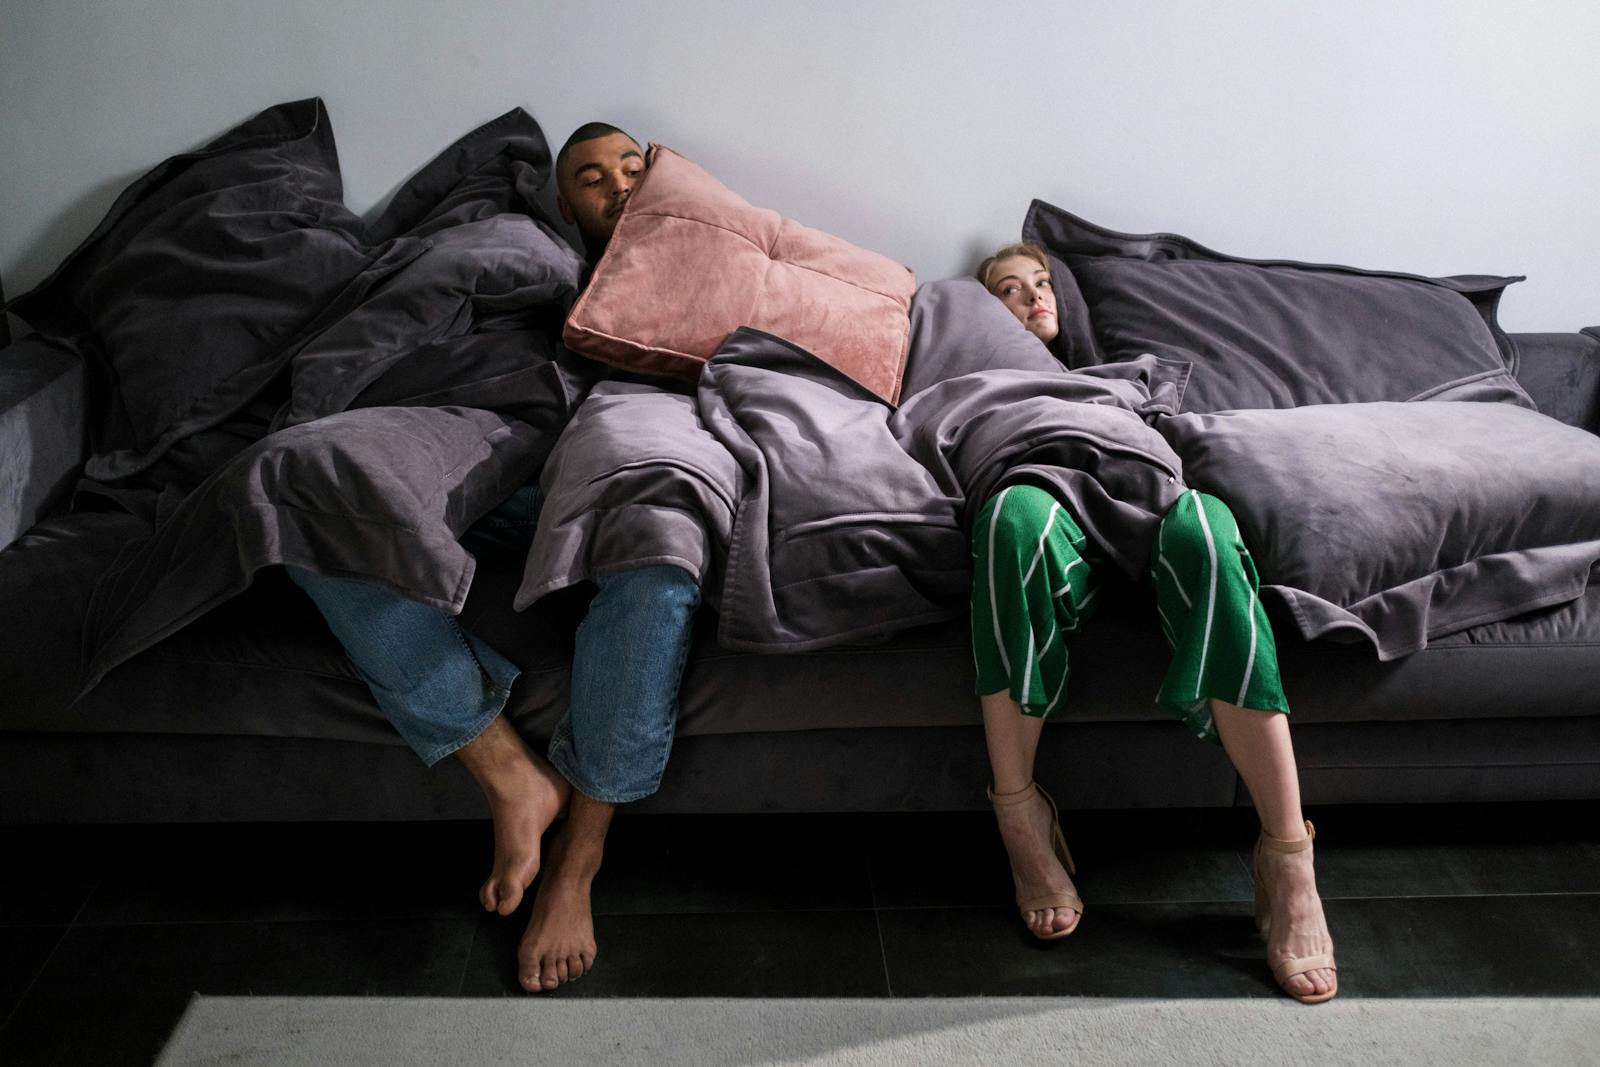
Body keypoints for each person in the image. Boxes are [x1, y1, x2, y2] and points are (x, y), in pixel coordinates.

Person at [287, 124, 700, 994]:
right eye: (591, 179)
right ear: (563, 204)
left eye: (633, 166)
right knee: (299, 498)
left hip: (623, 453)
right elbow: (433, 296)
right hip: (503, 450)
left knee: (659, 550)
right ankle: (511, 776)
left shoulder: (706, 249)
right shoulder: (536, 249)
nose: (618, 184)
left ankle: (578, 863)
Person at [969, 242, 1338, 1004]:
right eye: (1008, 290)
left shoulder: (1129, 372)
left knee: (1209, 528)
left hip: (1145, 498)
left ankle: (1288, 853)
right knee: (1012, 522)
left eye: (1041, 284)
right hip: (1043, 489)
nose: (1032, 297)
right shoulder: (979, 374)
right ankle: (1020, 817)